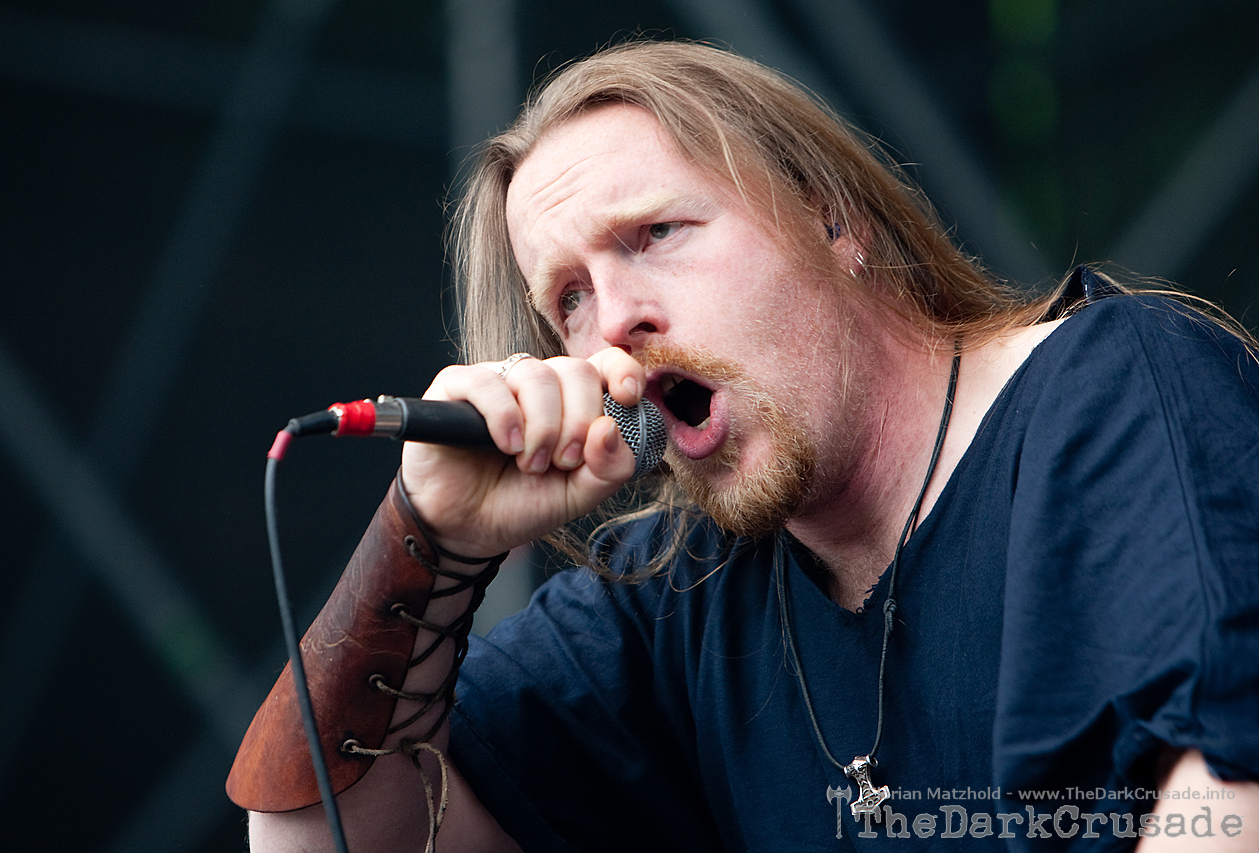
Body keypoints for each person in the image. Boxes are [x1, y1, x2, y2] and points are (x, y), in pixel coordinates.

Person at [229, 40, 1259, 851]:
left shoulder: (1112, 391)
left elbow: (1228, 804)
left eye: (655, 235)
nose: (613, 323)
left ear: (832, 220)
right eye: (569, 299)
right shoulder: (679, 586)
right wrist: (429, 534)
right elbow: (306, 836)